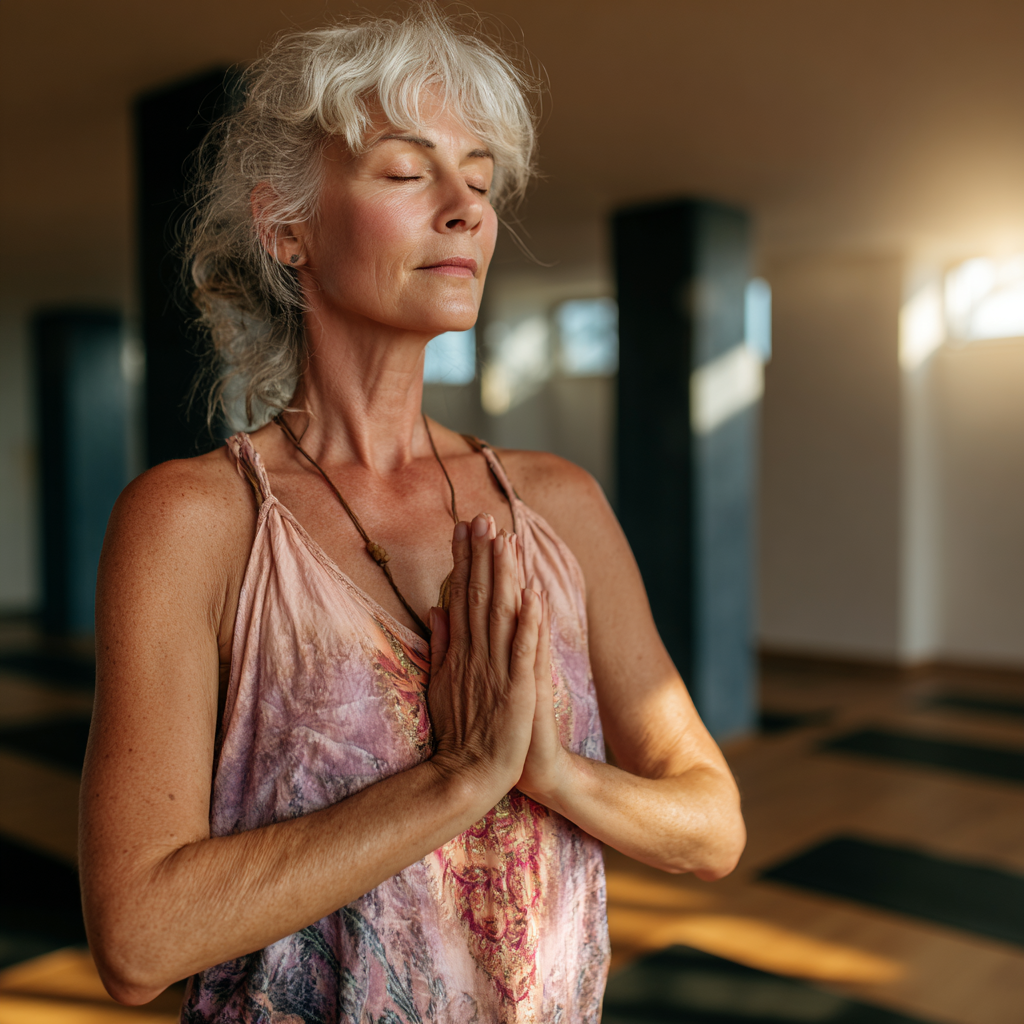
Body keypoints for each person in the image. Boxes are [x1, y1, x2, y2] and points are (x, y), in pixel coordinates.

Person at [79, 8, 746, 1023]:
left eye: (478, 180)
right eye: (406, 171)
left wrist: (552, 773)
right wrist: (458, 778)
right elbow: (137, 942)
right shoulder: (193, 521)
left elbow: (711, 825)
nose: (465, 209)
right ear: (285, 226)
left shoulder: (558, 502)